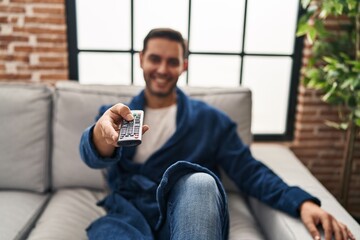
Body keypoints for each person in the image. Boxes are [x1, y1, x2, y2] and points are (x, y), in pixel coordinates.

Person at [79, 28, 355, 240]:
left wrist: (302, 203)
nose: (162, 69)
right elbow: (93, 158)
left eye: (172, 61)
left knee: (199, 181)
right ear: (141, 60)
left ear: (183, 65)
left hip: (188, 210)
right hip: (129, 215)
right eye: (155, 59)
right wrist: (101, 137)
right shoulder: (115, 115)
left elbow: (250, 172)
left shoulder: (211, 120)